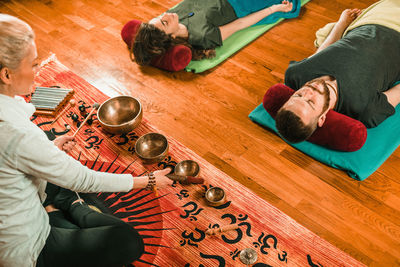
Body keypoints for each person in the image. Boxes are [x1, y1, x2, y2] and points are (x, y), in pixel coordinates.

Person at [0, 14, 173, 267]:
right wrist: (146, 181)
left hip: (18, 205)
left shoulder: (11, 121)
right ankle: (64, 207)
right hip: (26, 248)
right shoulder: (13, 131)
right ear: (6, 74)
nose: (37, 71)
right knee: (127, 241)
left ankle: (60, 205)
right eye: (34, 64)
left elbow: (11, 158)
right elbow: (83, 179)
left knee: (51, 143)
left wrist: (50, 149)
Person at [275, 1, 400, 143]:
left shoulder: (296, 75)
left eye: (298, 95)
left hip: (372, 19)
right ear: (322, 118)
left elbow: (323, 50)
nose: (309, 91)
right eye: (310, 102)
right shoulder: (365, 110)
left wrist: (341, 23)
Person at [132, 0, 296, 65]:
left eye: (160, 16)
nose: (166, 14)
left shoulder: (174, 15)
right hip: (242, 4)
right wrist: (275, 9)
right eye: (164, 22)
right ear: (172, 37)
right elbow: (240, 24)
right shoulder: (202, 36)